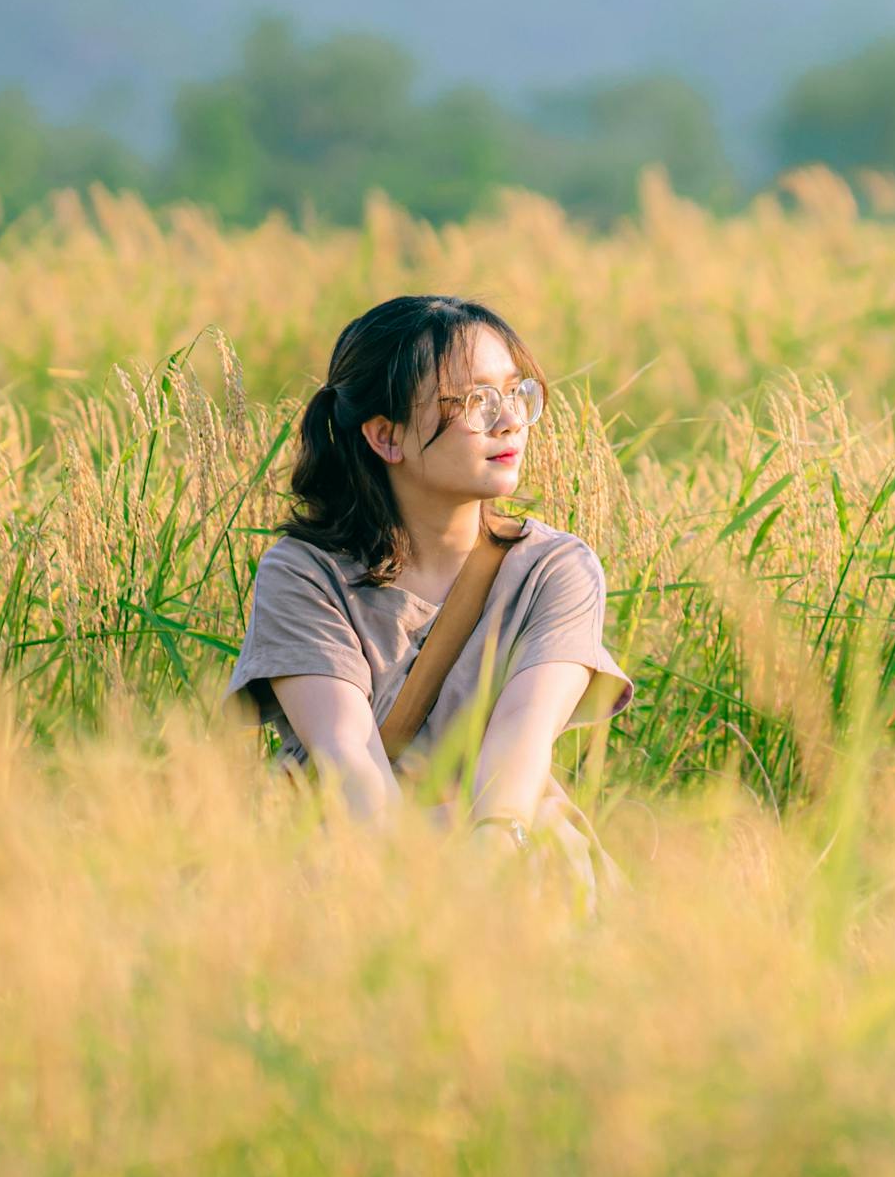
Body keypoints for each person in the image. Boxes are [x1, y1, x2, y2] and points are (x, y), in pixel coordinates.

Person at [228, 294, 628, 842]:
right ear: (386, 436)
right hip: (358, 851)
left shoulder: (555, 570)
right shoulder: (304, 574)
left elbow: (522, 738)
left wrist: (491, 854)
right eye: (475, 402)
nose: (510, 421)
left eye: (515, 393)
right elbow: (349, 762)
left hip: (508, 839)